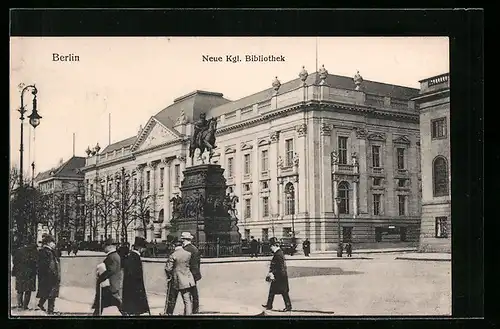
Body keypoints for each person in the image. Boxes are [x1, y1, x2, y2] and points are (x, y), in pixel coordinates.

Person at [92, 238, 124, 316]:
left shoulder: (112, 256)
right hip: (111, 284)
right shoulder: (114, 255)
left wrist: (101, 276)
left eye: (105, 245)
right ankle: (95, 316)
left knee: (111, 301)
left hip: (110, 285)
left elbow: (111, 270)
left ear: (110, 247)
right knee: (102, 302)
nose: (103, 247)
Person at [165, 239, 197, 316]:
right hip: (187, 279)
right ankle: (188, 315)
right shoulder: (188, 254)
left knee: (172, 298)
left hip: (176, 280)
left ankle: (169, 314)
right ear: (182, 245)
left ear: (174, 246)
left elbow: (168, 268)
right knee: (187, 299)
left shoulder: (173, 255)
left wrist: (169, 274)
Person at [122, 237, 150, 316]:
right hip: (134, 287)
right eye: (144, 248)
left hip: (131, 286)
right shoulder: (135, 257)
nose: (144, 250)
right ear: (140, 248)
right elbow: (132, 273)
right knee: (135, 309)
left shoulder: (131, 256)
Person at [262, 237, 292, 312]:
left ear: (274, 246)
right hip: (279, 275)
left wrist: (273, 273)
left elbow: (280, 266)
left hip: (280, 276)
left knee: (284, 292)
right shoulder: (278, 253)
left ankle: (288, 306)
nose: (270, 248)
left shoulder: (278, 254)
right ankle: (269, 305)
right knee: (272, 290)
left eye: (271, 246)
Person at [36, 234, 61, 314]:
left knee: (47, 293)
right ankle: (50, 311)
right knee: (51, 294)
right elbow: (51, 265)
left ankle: (41, 305)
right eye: (53, 242)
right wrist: (55, 275)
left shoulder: (47, 251)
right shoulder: (48, 252)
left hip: (46, 276)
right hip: (50, 276)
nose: (54, 244)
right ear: (48, 243)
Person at [12, 237, 38, 310]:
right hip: (30, 273)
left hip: (20, 272)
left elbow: (14, 261)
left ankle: (19, 304)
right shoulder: (34, 251)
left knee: (20, 289)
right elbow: (36, 261)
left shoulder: (19, 250)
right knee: (28, 290)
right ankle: (25, 306)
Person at [181, 232, 202, 314]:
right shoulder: (194, 248)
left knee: (187, 293)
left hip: (188, 273)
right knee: (194, 292)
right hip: (194, 273)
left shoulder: (185, 249)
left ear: (184, 240)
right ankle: (195, 309)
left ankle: (189, 311)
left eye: (182, 239)